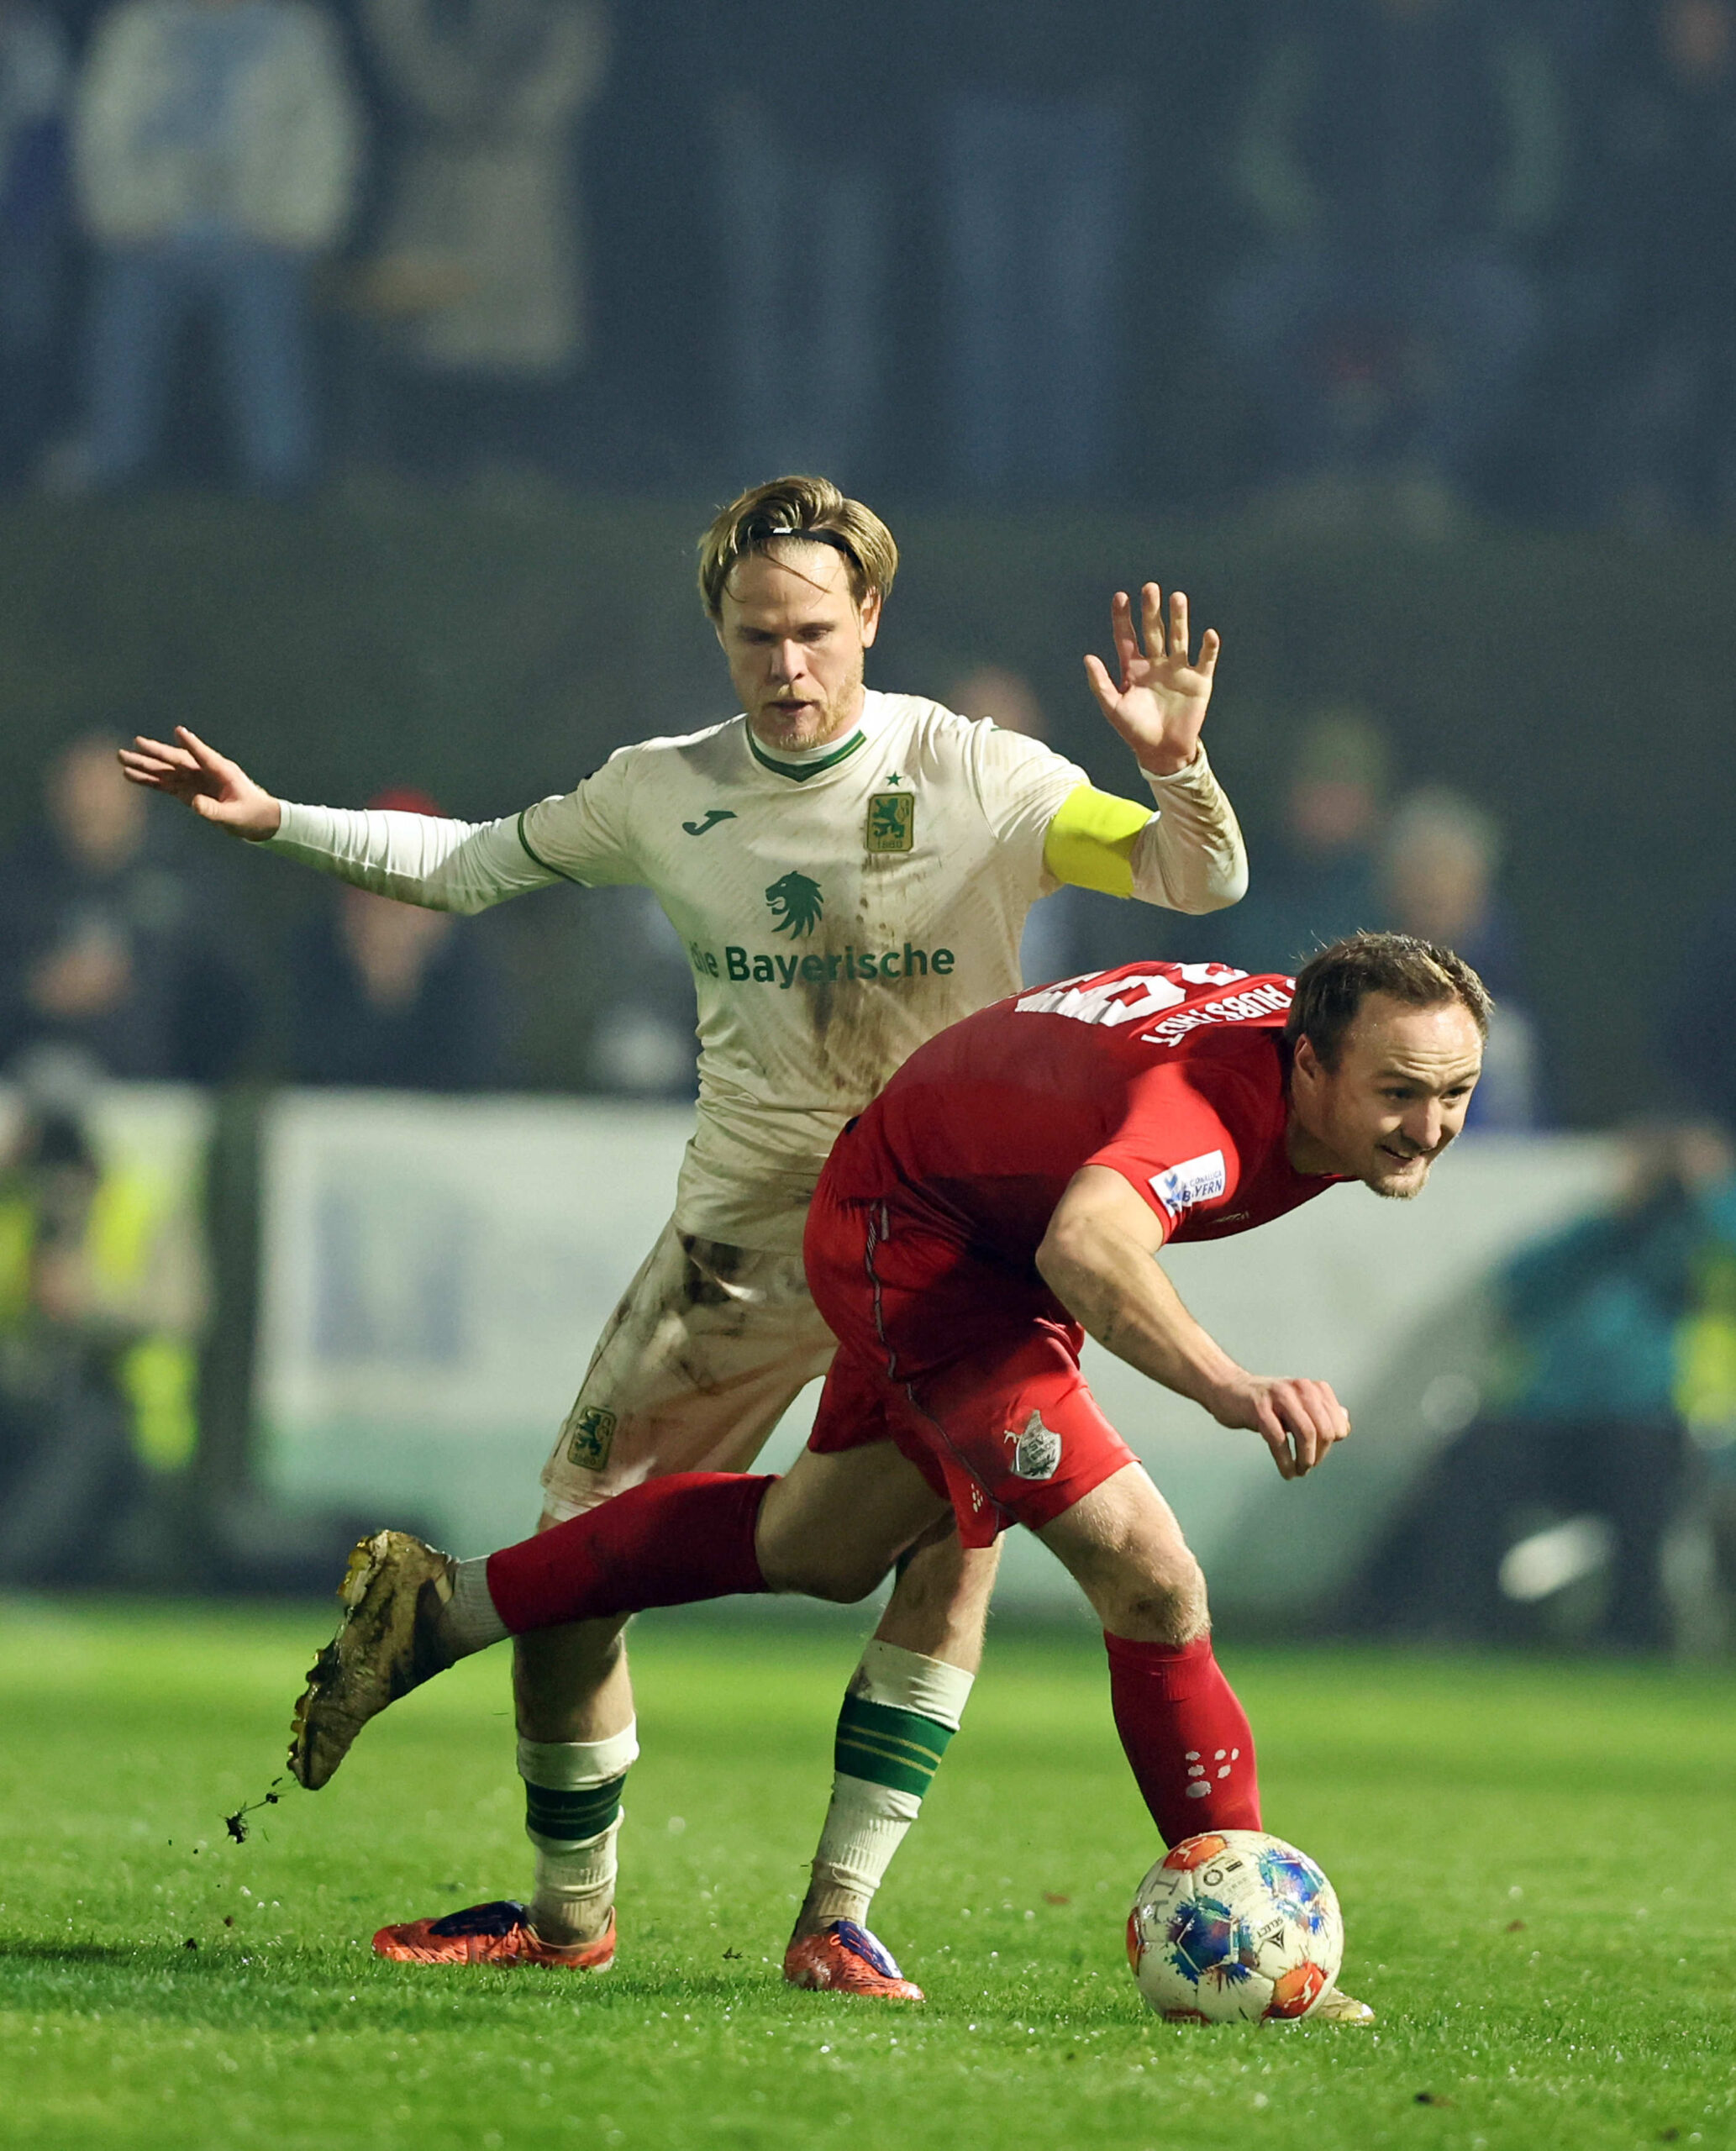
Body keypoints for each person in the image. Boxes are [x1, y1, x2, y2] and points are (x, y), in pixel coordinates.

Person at [118, 473, 1249, 1996]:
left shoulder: (981, 772)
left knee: (948, 1551)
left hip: (935, 1237)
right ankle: (565, 1918)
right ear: (719, 633)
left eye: (812, 632)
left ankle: (837, 1916)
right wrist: (274, 821)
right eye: (755, 635)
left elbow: (1198, 877)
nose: (786, 664)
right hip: (743, 1242)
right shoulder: (663, 788)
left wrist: (1177, 768)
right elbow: (469, 863)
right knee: (575, 1557)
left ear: (869, 619)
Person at [292, 932, 1491, 2023]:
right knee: (1151, 1579)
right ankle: (1258, 1946)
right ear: (1307, 1063)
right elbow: (1088, 1239)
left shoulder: (1306, 1035)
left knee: (815, 1547)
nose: (1428, 1124)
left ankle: (446, 1606)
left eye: (1454, 1092)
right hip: (922, 1243)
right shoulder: (1209, 1112)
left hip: (959, 1216)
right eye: (1398, 1092)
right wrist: (1228, 1386)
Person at [70, 0, 360, 492]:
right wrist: (122, 211)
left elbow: (325, 128)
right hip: (152, 228)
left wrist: (298, 220)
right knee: (123, 346)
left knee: (269, 352)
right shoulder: (141, 28)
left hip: (257, 230)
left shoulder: (292, 30)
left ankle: (281, 472)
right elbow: (103, 121)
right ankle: (114, 464)